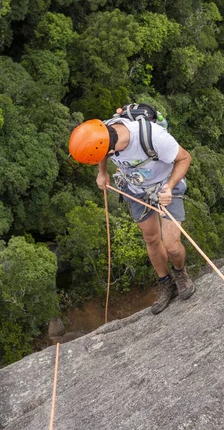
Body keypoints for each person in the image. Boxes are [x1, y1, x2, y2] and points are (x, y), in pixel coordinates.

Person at [69, 115, 195, 314]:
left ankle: (180, 273)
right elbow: (101, 152)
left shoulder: (153, 137)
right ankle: (165, 282)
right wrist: (102, 173)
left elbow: (185, 158)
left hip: (165, 187)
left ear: (111, 149)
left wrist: (169, 188)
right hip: (136, 190)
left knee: (172, 245)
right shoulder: (104, 133)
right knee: (151, 238)